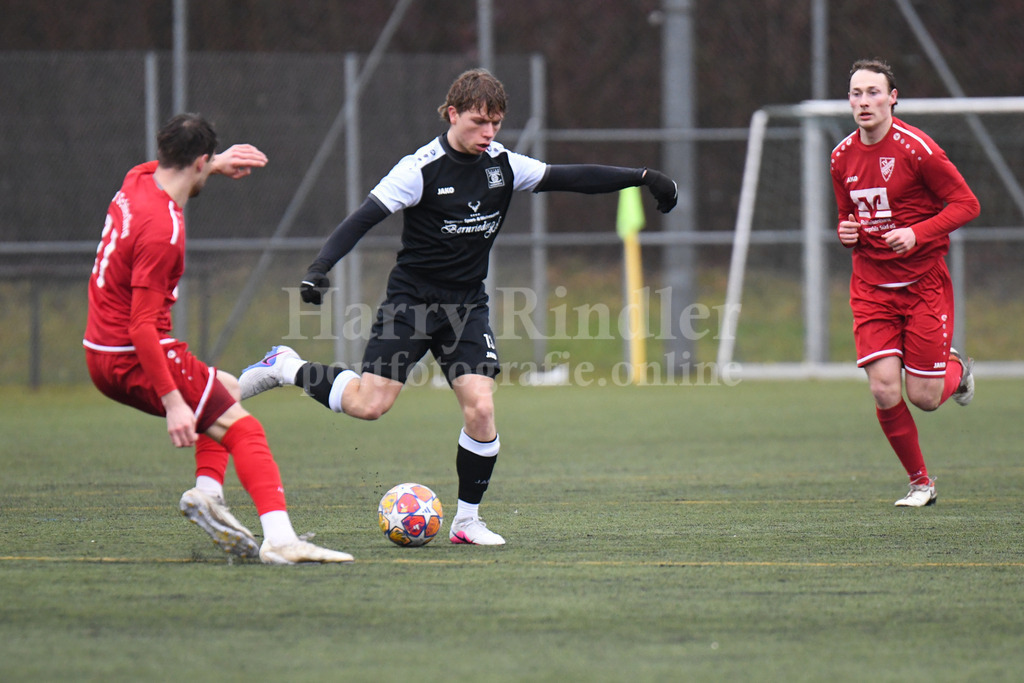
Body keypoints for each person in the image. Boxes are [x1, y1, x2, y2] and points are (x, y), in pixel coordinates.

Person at [239, 68, 678, 544]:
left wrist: (643, 177)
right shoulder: (419, 169)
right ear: (453, 114)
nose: (488, 133)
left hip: (466, 308)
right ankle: (286, 366)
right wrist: (320, 267)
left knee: (481, 409)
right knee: (370, 405)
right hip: (411, 304)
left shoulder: (502, 164)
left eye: (495, 123)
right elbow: (362, 218)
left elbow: (569, 177)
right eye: (477, 122)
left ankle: (467, 521)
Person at [84, 113, 353, 564]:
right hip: (133, 353)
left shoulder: (136, 180)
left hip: (99, 350)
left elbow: (171, 171)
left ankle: (207, 493)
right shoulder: (164, 231)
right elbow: (142, 326)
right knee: (244, 429)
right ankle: (281, 540)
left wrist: (216, 163)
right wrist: (173, 402)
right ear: (199, 160)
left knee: (225, 387)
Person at [830, 59, 980, 506]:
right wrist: (845, 232)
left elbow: (966, 204)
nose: (864, 102)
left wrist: (918, 233)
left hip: (923, 284)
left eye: (874, 92)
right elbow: (846, 218)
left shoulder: (918, 150)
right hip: (872, 287)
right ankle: (921, 483)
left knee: (925, 398)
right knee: (882, 388)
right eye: (856, 93)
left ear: (893, 97)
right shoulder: (840, 156)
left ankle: (958, 372)